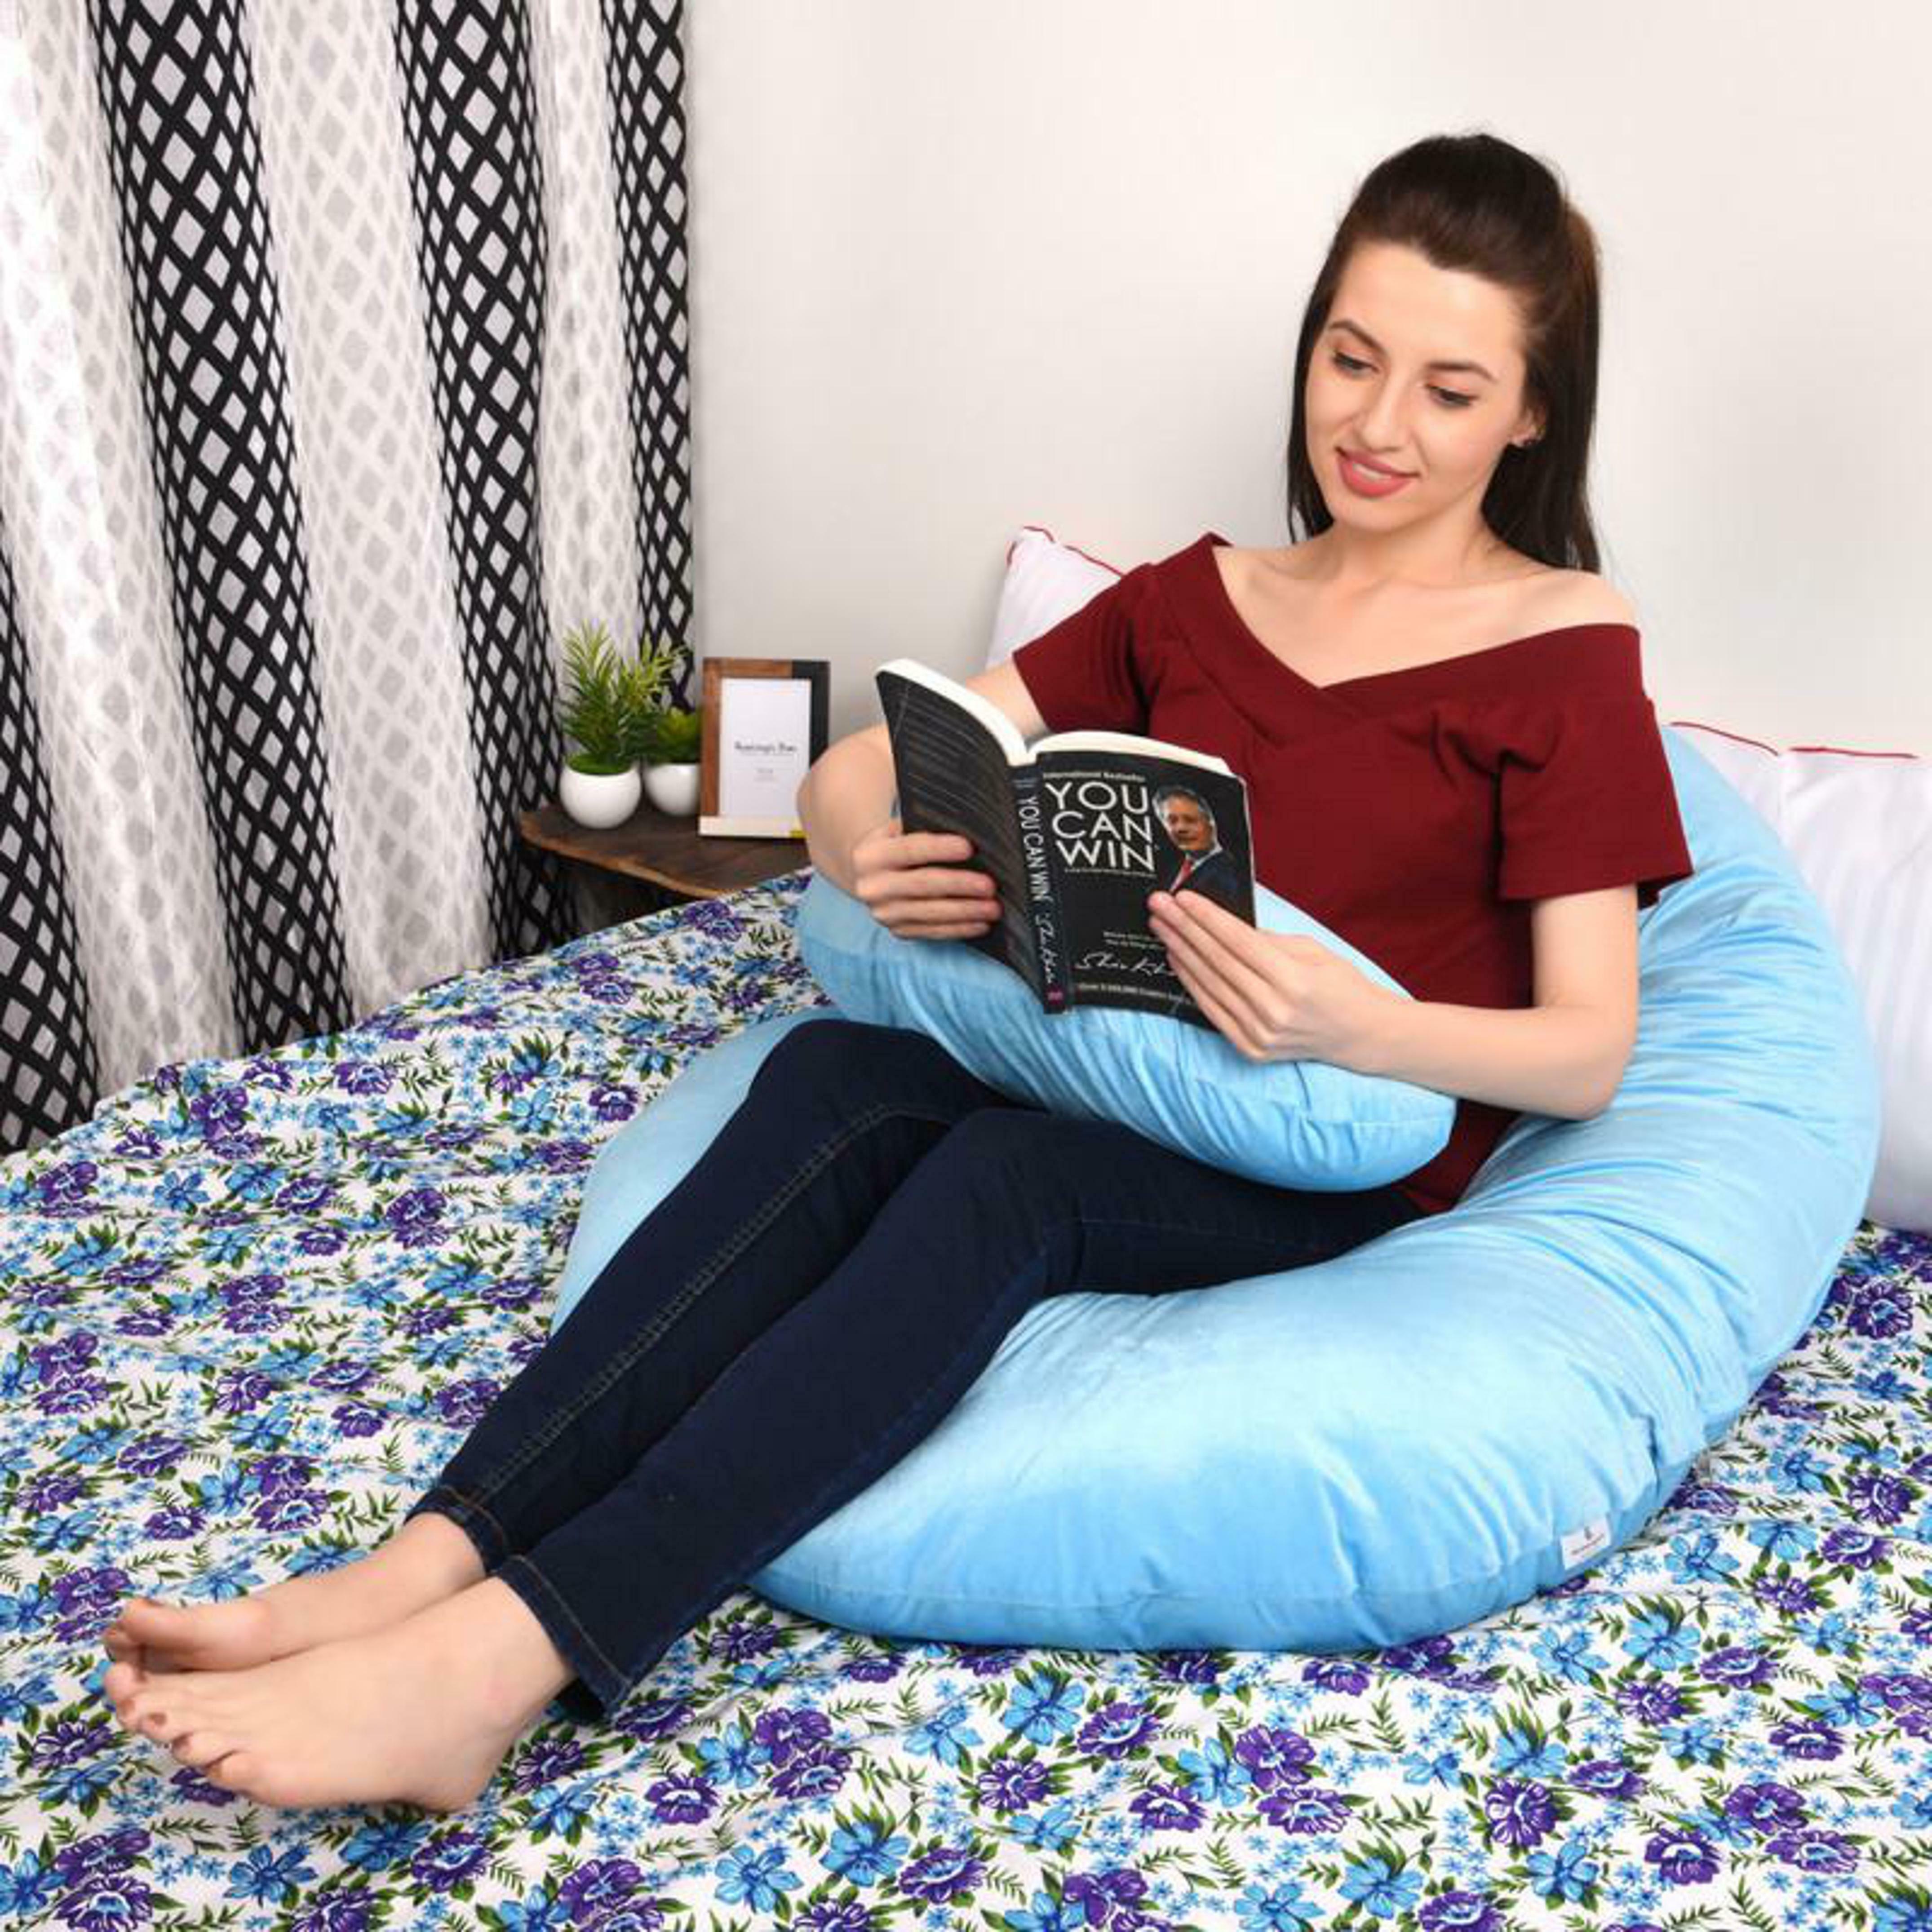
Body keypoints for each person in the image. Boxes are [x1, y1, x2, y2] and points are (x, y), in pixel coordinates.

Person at [97, 130, 1692, 1814]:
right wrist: (872, 845)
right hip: (1121, 1061)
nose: (1375, 423)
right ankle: (421, 1559)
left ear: (1528, 413)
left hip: (1324, 1144)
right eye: (1349, 358)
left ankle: (502, 1660)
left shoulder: (1561, 648)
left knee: (1002, 1180)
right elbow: (866, 762)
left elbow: (1585, 1045)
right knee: (830, 1075)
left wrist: (1355, 1020)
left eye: (1447, 389)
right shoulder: (1189, 598)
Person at [1152, 785, 1244, 911]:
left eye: (1190, 820)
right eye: (1172, 821)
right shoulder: (1171, 872)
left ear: (1211, 823)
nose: (1180, 829)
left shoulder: (1233, 876)